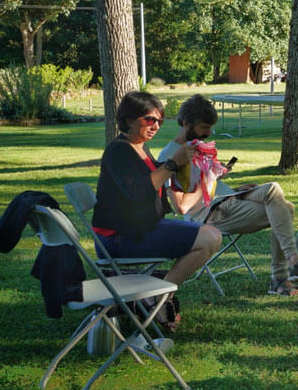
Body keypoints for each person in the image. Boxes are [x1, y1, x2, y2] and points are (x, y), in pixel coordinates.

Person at [159, 94, 298, 297]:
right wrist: (208, 180)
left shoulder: (198, 149)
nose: (209, 133)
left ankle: (288, 269)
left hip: (226, 200)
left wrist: (233, 188)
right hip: (206, 216)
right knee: (285, 209)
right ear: (185, 123)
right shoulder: (170, 156)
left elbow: (210, 185)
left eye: (210, 127)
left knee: (274, 192)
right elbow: (181, 208)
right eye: (204, 127)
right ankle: (286, 272)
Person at [92, 91, 222, 330]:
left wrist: (198, 172)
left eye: (159, 121)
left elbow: (156, 183)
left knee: (211, 235)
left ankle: (158, 295)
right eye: (148, 119)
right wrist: (173, 163)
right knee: (210, 237)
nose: (155, 126)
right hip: (120, 238)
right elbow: (138, 191)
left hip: (139, 229)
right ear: (129, 119)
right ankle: (158, 298)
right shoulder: (118, 151)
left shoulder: (139, 148)